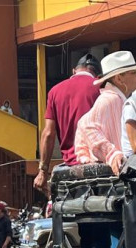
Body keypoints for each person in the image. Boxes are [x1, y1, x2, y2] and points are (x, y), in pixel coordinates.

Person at [33, 54, 102, 192]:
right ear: (98, 75)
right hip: (98, 168)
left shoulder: (54, 91)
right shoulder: (100, 87)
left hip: (70, 171)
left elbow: (48, 133)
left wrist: (43, 171)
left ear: (74, 71)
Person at [73, 51, 136, 173]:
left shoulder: (118, 99)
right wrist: (112, 154)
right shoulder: (110, 99)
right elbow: (87, 127)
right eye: (133, 73)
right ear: (119, 78)